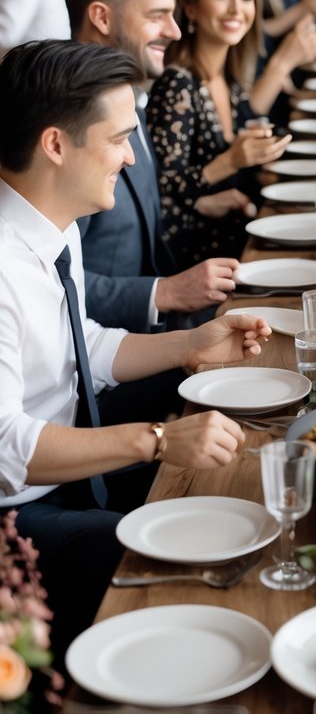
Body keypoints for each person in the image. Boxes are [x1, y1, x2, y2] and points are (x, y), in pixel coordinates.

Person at [0, 39, 270, 660]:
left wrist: (192, 344)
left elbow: (81, 345)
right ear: (55, 145)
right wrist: (155, 440)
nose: (129, 158)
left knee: (237, 484)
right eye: (119, 139)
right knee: (212, 562)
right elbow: (8, 446)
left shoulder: (50, 222)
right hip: (22, 519)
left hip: (66, 476)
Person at [66, 0, 244, 332]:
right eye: (157, 16)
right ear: (101, 17)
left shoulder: (133, 98)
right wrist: (165, 293)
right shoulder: (68, 123)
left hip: (157, 329)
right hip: (104, 362)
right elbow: (55, 283)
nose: (175, 30)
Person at [146, 0, 313, 264]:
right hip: (200, 257)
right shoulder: (177, 85)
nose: (237, 9)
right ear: (189, 6)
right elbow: (162, 190)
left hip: (239, 239)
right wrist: (232, 160)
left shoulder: (229, 76)